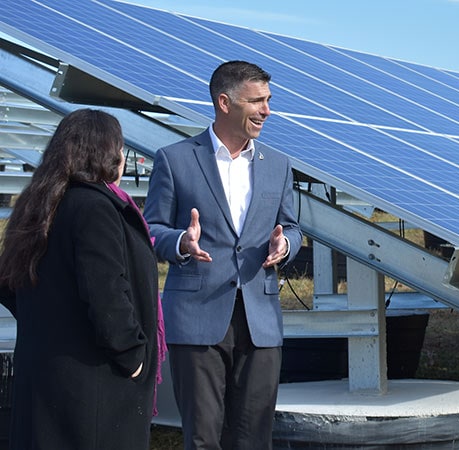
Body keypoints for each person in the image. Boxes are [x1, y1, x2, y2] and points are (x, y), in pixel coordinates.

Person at [143, 60, 302, 449]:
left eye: (268, 100)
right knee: (203, 437)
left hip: (260, 321)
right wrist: (182, 242)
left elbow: (293, 228)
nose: (267, 110)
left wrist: (284, 246)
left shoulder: (278, 165)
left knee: (254, 437)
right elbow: (151, 229)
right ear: (224, 102)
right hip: (196, 317)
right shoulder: (176, 158)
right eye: (257, 101)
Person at [0, 109, 159, 450]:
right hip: (92, 386)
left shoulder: (42, 202)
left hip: (48, 375)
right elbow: (107, 293)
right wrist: (132, 354)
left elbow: (9, 282)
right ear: (106, 152)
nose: (122, 157)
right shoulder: (94, 208)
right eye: (120, 147)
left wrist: (50, 324)